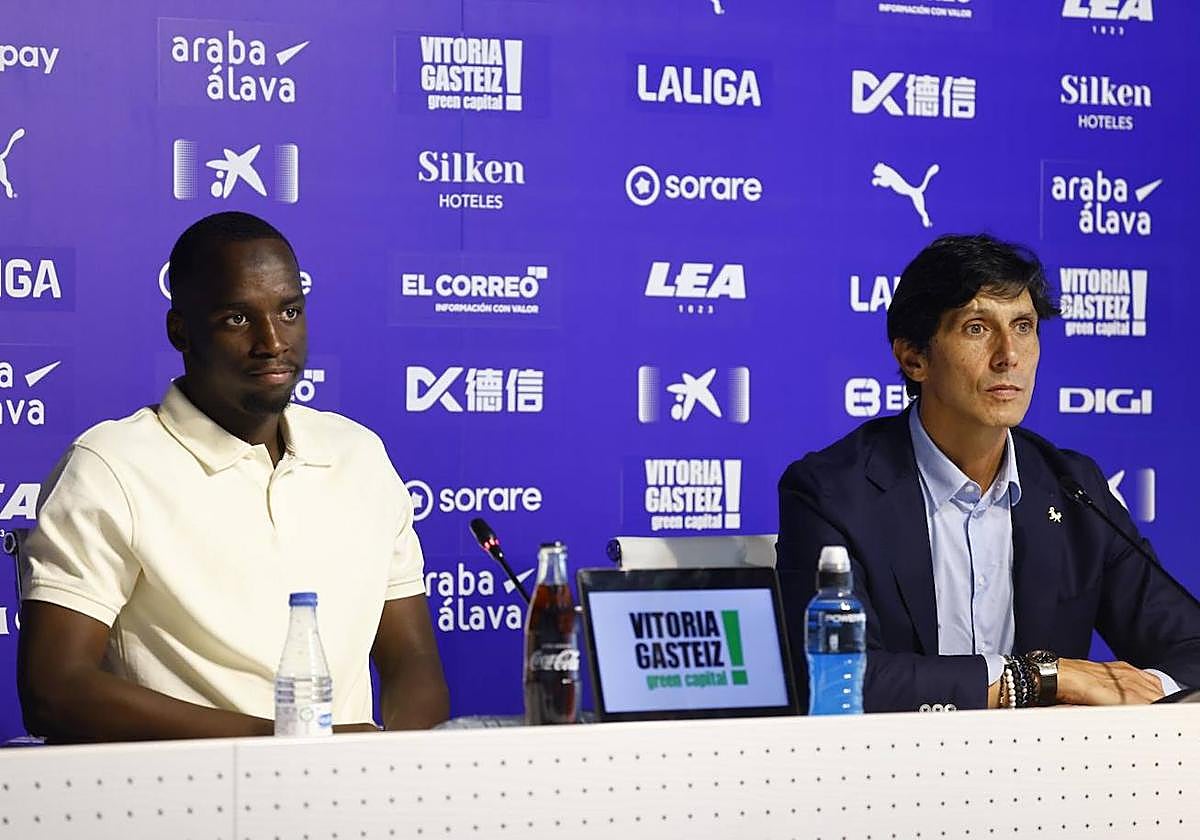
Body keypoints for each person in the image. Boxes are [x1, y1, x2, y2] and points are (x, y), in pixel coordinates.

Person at [17, 211, 449, 741]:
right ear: (181, 331)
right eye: (237, 320)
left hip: (347, 807)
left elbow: (413, 661)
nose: (272, 341)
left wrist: (395, 769)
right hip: (178, 810)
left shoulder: (358, 454)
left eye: (289, 311)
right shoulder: (111, 465)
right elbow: (54, 691)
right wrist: (284, 744)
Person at [776, 233, 1200, 712]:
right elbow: (842, 679)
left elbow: (1190, 648)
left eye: (1023, 326)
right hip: (891, 774)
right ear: (913, 357)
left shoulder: (1074, 489)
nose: (1009, 355)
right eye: (977, 328)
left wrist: (1138, 692)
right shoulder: (831, 492)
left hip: (1048, 778)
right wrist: (1044, 679)